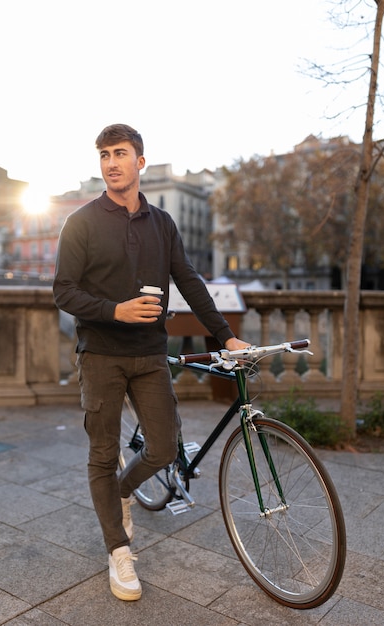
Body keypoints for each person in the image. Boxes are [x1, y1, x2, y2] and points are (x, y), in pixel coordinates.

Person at [53, 123, 250, 602]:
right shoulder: (80, 221)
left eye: (120, 153)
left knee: (163, 449)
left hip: (149, 354)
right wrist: (115, 310)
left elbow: (188, 279)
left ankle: (121, 490)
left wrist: (226, 335)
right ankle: (118, 551)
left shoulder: (163, 223)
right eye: (104, 154)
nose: (111, 162)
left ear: (140, 161)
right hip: (100, 355)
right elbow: (63, 290)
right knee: (101, 454)